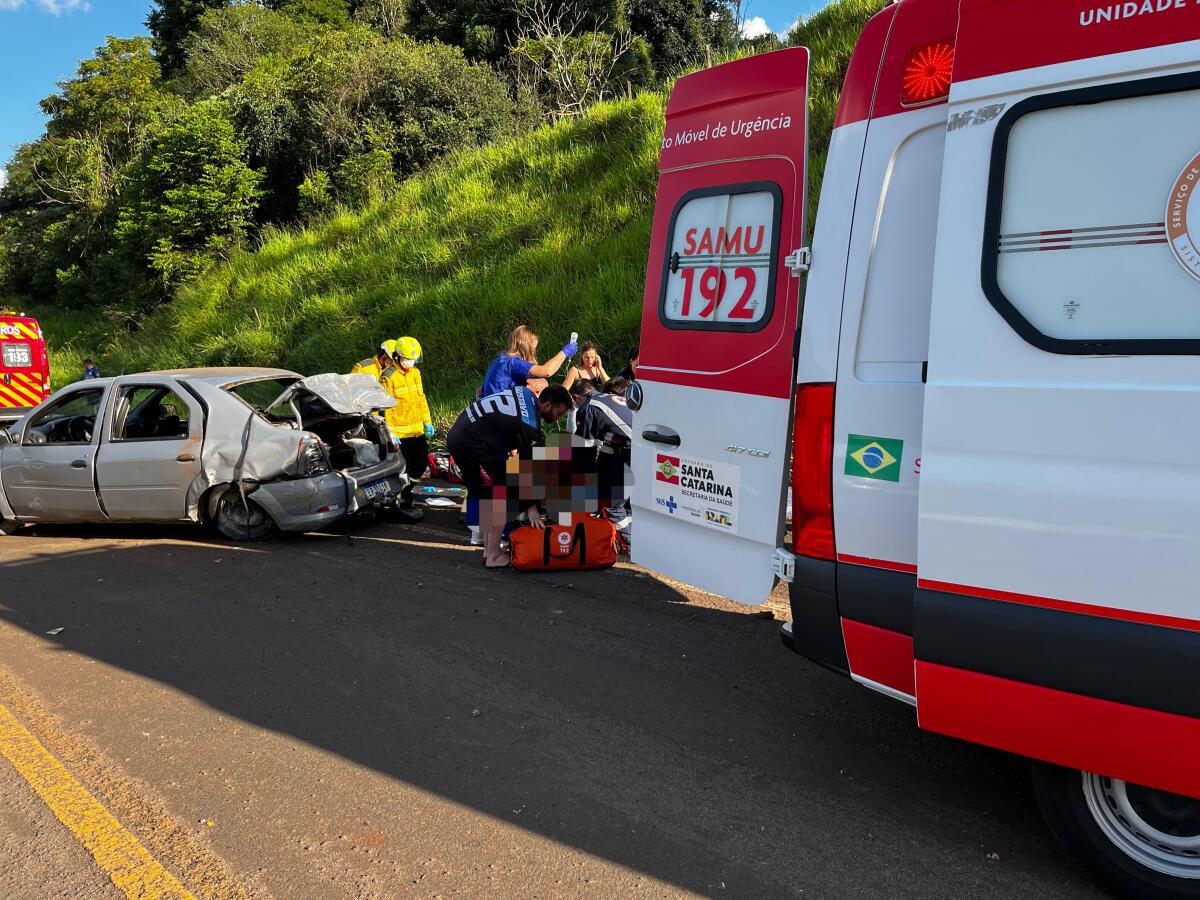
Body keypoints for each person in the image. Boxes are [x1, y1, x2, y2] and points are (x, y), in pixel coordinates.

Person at [447, 383, 572, 568]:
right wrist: (531, 509)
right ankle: (493, 555)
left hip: (460, 434)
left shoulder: (525, 393)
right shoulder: (530, 425)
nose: (558, 419)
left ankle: (489, 551)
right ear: (547, 405)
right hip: (471, 443)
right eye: (558, 413)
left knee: (492, 491)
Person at [569, 378, 633, 538]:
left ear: (577, 397)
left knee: (610, 502)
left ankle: (631, 543)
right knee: (627, 500)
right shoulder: (609, 399)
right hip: (643, 448)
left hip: (630, 449)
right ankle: (633, 535)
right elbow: (611, 439)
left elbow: (583, 451)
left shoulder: (588, 407)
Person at [384, 336, 435, 510]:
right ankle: (399, 499)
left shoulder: (415, 373)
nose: (411, 362)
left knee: (420, 465)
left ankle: (406, 492)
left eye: (413, 359)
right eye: (408, 359)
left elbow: (421, 399)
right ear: (397, 357)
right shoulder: (388, 377)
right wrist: (389, 432)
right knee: (402, 470)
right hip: (400, 433)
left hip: (417, 430)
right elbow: (386, 407)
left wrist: (427, 421)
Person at [479, 325, 576, 397]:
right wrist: (565, 352)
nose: (533, 352)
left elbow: (479, 391)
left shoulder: (501, 358)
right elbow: (546, 371)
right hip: (498, 414)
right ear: (525, 347)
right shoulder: (513, 363)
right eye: (532, 349)